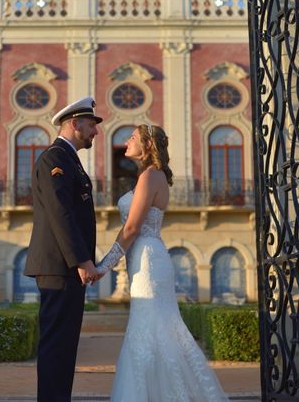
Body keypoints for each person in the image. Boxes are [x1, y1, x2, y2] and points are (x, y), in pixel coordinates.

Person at [96, 125, 227, 401]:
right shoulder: (152, 176)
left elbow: (131, 228)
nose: (127, 141)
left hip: (147, 259)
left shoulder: (150, 176)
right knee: (157, 329)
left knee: (148, 329)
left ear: (148, 145)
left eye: (132, 137)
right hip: (146, 257)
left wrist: (103, 267)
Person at [24, 96, 103, 402]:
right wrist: (83, 260)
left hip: (65, 266)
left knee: (65, 344)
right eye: (92, 125)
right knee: (57, 343)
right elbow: (61, 213)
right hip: (59, 266)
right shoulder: (54, 158)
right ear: (75, 123)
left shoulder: (68, 159)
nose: (96, 132)